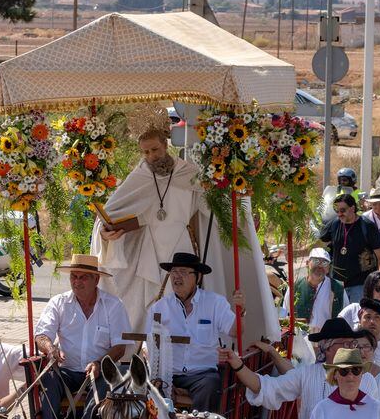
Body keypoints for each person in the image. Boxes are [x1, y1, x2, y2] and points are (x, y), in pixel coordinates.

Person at [91, 126, 277, 343]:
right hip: (149, 248)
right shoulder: (140, 175)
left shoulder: (189, 174)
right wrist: (106, 232)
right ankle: (148, 351)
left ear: (165, 145)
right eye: (146, 152)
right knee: (149, 302)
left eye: (155, 149)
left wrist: (237, 212)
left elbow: (212, 206)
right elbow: (112, 213)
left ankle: (184, 347)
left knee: (183, 296)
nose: (151, 156)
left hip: (180, 246)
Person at [224, 318, 380, 419]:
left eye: (351, 344)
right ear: (327, 347)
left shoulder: (367, 380)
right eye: (344, 343)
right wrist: (237, 364)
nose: (350, 348)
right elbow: (268, 387)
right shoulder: (308, 374)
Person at [33, 254, 131, 419]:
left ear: (96, 279)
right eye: (73, 277)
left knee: (109, 381)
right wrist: (50, 349)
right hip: (67, 371)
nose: (77, 282)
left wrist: (98, 363)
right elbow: (41, 335)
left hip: (99, 371)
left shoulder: (113, 305)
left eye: (83, 277)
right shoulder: (58, 303)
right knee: (49, 376)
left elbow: (120, 347)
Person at [145, 252, 243, 412]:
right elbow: (149, 344)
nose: (177, 277)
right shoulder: (159, 308)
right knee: (144, 388)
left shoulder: (214, 303)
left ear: (197, 277)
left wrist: (241, 312)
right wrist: (164, 379)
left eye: (183, 272)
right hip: (169, 374)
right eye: (174, 272)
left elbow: (235, 331)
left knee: (211, 384)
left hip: (202, 374)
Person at [319, 193, 380, 303]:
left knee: (357, 318)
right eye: (337, 210)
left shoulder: (367, 226)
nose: (340, 214)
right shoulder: (335, 224)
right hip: (337, 284)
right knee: (338, 318)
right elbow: (320, 244)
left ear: (353, 208)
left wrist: (377, 283)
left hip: (360, 284)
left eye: (343, 210)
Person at [295, 248, 347, 333]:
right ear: (307, 263)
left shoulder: (337, 288)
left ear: (328, 268)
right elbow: (286, 312)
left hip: (327, 339)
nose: (320, 266)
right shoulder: (296, 286)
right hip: (301, 339)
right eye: (316, 261)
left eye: (324, 263)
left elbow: (346, 316)